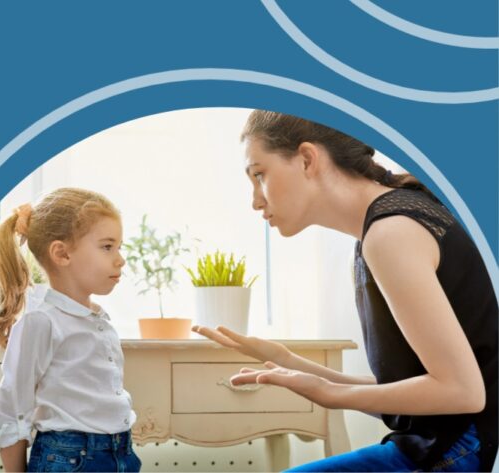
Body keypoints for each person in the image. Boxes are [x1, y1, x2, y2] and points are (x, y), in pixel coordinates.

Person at [193, 110, 497, 471]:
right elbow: (413, 390)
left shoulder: (391, 233)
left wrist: (333, 395)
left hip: (453, 450)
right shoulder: (383, 227)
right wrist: (289, 361)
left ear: (307, 158)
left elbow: (463, 392)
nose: (255, 201)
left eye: (260, 175)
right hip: (443, 445)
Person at [0, 187, 141, 472]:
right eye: (107, 247)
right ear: (62, 253)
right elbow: (10, 411)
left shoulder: (97, 320)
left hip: (119, 454)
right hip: (71, 460)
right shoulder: (41, 321)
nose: (120, 259)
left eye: (119, 247)